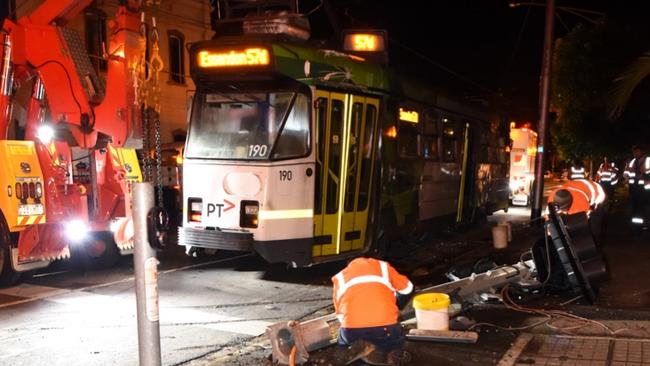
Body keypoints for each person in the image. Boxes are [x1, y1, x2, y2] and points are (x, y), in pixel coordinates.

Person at [332, 257, 414, 354]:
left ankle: (343, 354)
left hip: (351, 330)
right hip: (385, 328)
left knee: (344, 348)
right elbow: (408, 289)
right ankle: (392, 355)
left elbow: (339, 312)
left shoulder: (340, 277)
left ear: (349, 265)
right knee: (394, 348)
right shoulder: (382, 267)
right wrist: (397, 305)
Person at [623, 145, 650, 229]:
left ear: (641, 151)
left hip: (646, 190)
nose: (635, 153)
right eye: (634, 152)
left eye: (637, 151)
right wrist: (626, 178)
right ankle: (637, 228)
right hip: (634, 189)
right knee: (635, 208)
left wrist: (644, 176)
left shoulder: (648, 160)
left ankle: (646, 225)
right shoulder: (632, 162)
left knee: (645, 208)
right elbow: (626, 173)